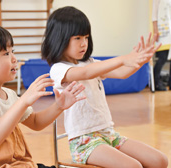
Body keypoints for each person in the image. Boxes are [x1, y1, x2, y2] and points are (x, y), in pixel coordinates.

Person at [41, 6, 168, 168]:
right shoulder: (59, 69)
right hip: (84, 143)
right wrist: (124, 58)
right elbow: (85, 73)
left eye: (86, 37)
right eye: (78, 38)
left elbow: (122, 72)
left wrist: (139, 60)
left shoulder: (90, 62)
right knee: (133, 166)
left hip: (109, 135)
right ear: (60, 39)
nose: (84, 43)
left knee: (160, 160)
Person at [0, 23, 86, 168]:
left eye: (12, 51)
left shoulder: (9, 94)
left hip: (13, 162)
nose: (14, 58)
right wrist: (24, 101)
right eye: (6, 54)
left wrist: (59, 106)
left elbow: (35, 122)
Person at [152, 0, 171, 91]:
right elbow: (154, 16)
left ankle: (170, 83)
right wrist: (155, 31)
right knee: (162, 58)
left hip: (169, 30)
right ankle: (156, 83)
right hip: (162, 32)